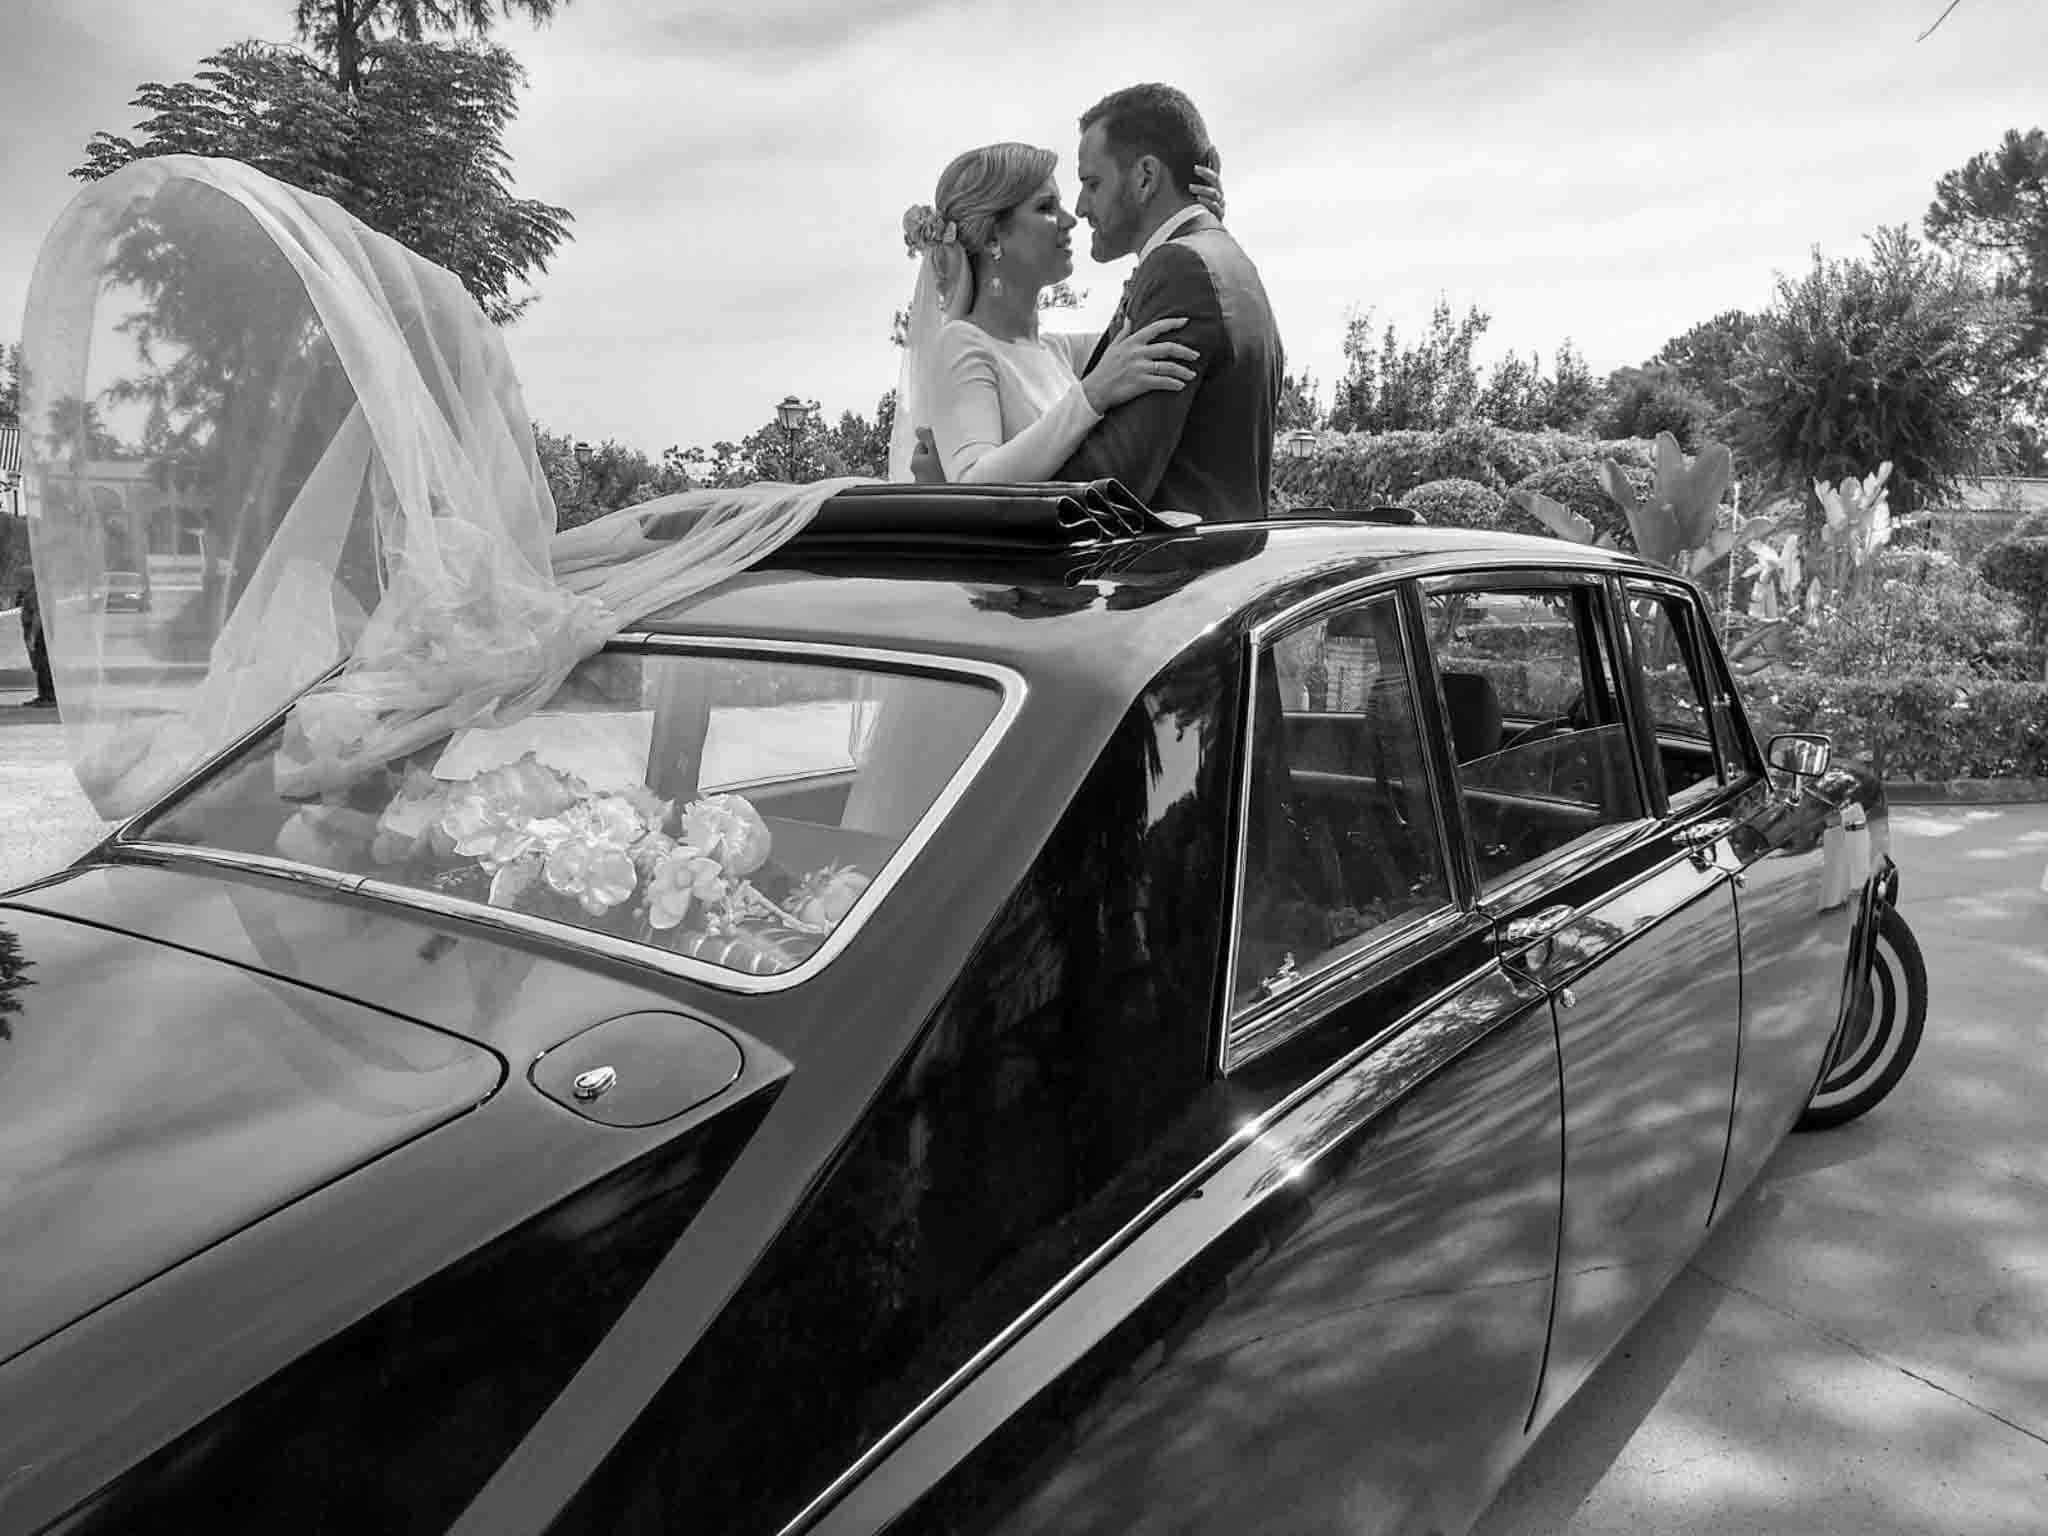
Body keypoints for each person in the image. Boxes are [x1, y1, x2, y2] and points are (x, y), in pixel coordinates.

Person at [889, 143, 1224, 485]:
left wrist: (1192, 223)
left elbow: (1153, 321)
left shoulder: (1061, 353)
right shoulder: (962, 343)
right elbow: (974, 482)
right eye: (1046, 207)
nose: (1070, 219)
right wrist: (1091, 395)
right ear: (993, 234)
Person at [1053, 84, 1283, 523]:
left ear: (1145, 176)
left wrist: (990, 504)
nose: (1080, 207)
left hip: (1172, 585)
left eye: (1092, 183)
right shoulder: (1232, 264)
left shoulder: (1182, 268)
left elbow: (1113, 484)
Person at [17, 577, 55, 707]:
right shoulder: (32, 590)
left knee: (43, 664)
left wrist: (33, 635)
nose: (18, 582)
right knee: (40, 665)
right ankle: (43, 695)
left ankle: (48, 697)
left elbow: (38, 615)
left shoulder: (35, 592)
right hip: (38, 631)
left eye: (21, 578)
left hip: (39, 632)